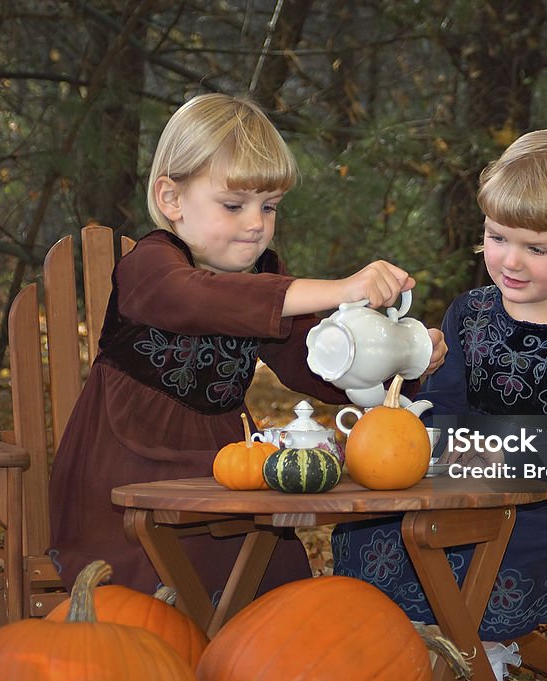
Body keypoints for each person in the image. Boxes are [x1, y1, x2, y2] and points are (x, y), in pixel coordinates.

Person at [48, 93, 447, 598]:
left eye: (270, 206)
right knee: (176, 582)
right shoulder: (150, 267)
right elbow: (199, 300)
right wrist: (341, 288)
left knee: (274, 580)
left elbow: (313, 365)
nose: (256, 223)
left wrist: (399, 365)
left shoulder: (265, 275)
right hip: (126, 473)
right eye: (234, 205)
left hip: (226, 463)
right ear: (172, 199)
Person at [332, 127, 547, 643]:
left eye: (536, 248)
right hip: (461, 491)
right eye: (498, 238)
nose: (510, 261)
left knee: (474, 550)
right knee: (372, 530)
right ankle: (393, 646)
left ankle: (475, 655)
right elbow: (443, 403)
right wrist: (429, 439)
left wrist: (508, 454)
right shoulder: (470, 314)